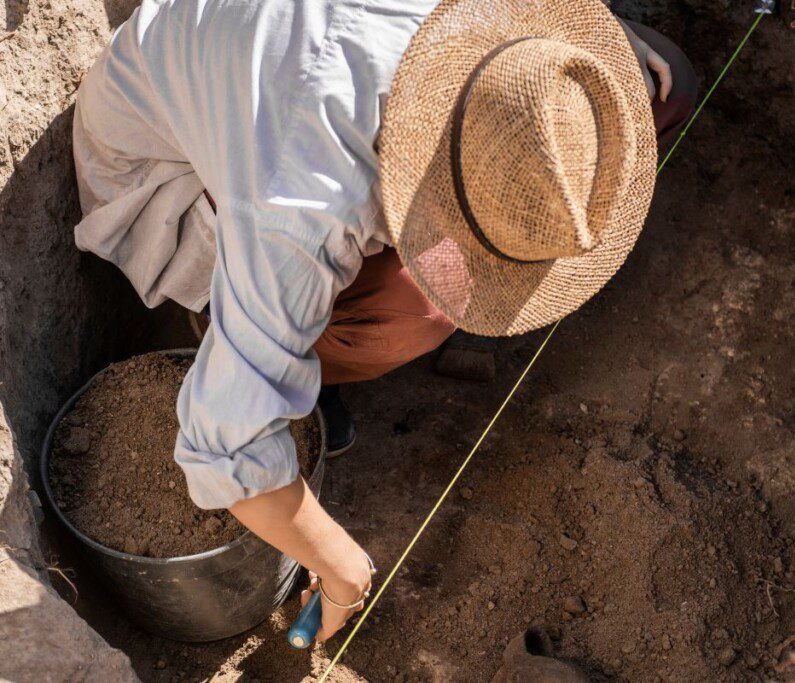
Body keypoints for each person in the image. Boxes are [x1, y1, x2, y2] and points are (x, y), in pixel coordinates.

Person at [72, 0, 697, 644]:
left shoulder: (489, 36)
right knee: (423, 307)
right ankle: (240, 329)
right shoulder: (305, 202)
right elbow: (222, 442)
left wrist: (600, 40)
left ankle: (308, 317)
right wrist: (342, 566)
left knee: (665, 80)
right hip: (163, 172)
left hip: (260, 92)